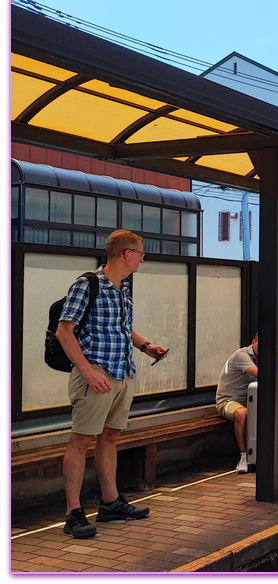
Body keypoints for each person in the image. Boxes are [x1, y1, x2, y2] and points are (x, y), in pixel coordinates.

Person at [55, 230, 167, 539]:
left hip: (122, 371)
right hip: (96, 373)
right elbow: (65, 331)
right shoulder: (87, 284)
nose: (143, 258)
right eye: (141, 253)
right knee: (81, 440)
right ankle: (73, 513)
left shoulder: (123, 287)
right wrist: (87, 372)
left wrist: (146, 346)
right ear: (126, 254)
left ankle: (110, 502)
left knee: (110, 436)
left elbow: (121, 327)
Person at [216, 333, 278, 474]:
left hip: (253, 398)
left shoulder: (266, 357)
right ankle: (244, 456)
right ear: (253, 342)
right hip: (229, 400)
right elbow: (262, 374)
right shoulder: (241, 355)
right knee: (242, 413)